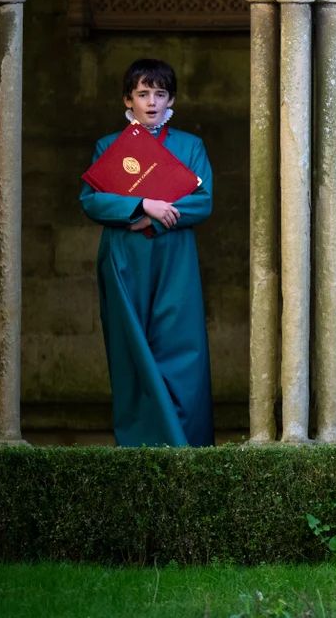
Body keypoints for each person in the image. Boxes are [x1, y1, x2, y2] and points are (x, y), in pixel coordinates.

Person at [79, 58, 215, 446]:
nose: (151, 101)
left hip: (174, 256)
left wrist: (154, 218)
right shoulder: (109, 146)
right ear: (128, 99)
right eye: (143, 93)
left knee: (181, 349)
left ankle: (187, 446)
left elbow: (203, 202)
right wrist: (143, 205)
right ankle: (138, 448)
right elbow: (91, 200)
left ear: (170, 98)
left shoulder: (191, 146)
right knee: (130, 351)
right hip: (124, 259)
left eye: (159, 93)